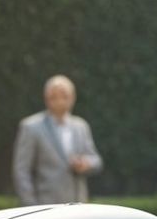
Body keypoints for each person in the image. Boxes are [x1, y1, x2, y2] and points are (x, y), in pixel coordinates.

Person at [12, 74, 102, 205]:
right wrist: (31, 206)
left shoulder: (81, 126)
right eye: (55, 96)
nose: (60, 100)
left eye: (64, 95)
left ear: (73, 97)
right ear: (47, 98)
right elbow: (21, 171)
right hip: (46, 206)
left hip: (78, 205)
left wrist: (86, 164)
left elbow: (96, 160)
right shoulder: (31, 127)